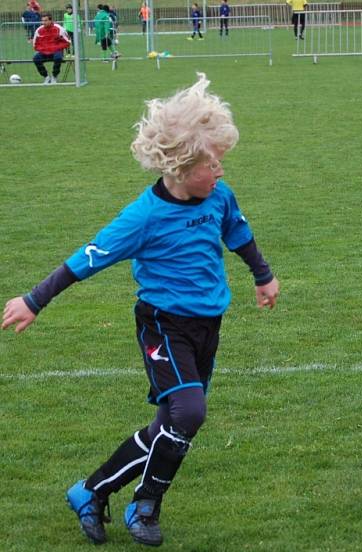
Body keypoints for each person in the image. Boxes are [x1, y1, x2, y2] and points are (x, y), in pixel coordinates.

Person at [2, 73, 280, 546]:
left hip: (207, 324)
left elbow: (237, 232)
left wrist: (262, 274)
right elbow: (87, 258)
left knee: (170, 425)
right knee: (189, 413)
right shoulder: (143, 217)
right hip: (163, 325)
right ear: (180, 165)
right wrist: (34, 299)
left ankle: (90, 491)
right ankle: (146, 504)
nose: (221, 172)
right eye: (213, 164)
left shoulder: (219, 196)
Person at [32, 12, 71, 84]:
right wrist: (43, 49)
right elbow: (35, 44)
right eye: (42, 20)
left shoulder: (59, 29)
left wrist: (56, 48)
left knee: (58, 58)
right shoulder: (39, 30)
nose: (43, 22)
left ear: (50, 20)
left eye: (46, 20)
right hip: (44, 52)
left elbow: (67, 41)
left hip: (56, 51)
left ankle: (54, 76)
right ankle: (46, 77)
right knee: (36, 58)